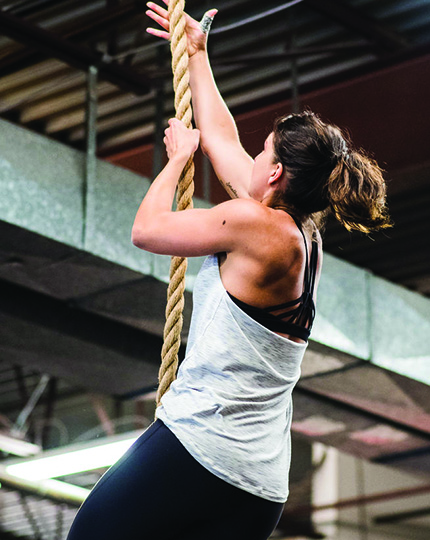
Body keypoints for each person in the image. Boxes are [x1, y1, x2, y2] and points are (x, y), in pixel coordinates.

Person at [66, 3, 391, 540]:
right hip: (257, 489)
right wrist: (197, 54)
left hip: (201, 454)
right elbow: (222, 137)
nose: (254, 156)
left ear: (278, 173)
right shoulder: (300, 235)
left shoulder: (254, 224)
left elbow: (146, 230)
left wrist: (175, 159)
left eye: (263, 151)